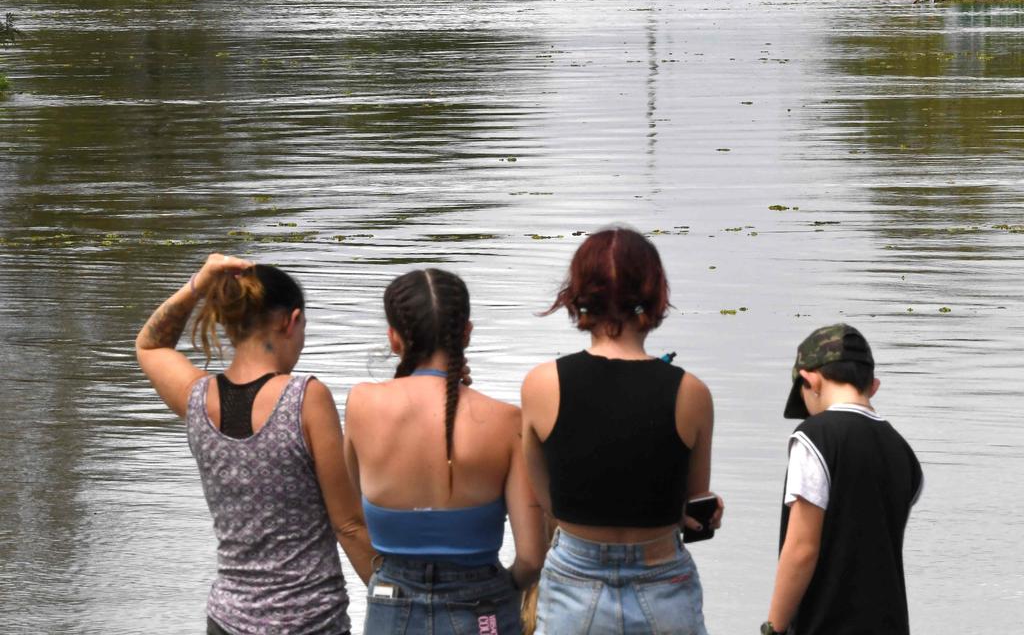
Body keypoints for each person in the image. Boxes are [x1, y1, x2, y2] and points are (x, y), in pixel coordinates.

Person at [135, 254, 373, 635]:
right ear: (290, 321)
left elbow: (150, 345)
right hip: (309, 622)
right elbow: (347, 525)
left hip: (227, 621)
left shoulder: (197, 399)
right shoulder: (305, 398)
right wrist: (395, 598)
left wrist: (199, 282)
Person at [521, 226, 722, 635]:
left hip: (575, 578)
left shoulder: (542, 385)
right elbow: (692, 502)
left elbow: (550, 502)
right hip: (662, 576)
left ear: (579, 298)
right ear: (654, 298)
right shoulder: (691, 393)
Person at [343, 268, 546, 635]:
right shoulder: (506, 422)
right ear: (466, 333)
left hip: (391, 604)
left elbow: (353, 514)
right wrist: (502, 590)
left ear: (394, 339)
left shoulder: (361, 405)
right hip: (484, 608)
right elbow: (531, 556)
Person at [762, 324, 923, 635]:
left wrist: (774, 628)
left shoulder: (815, 436)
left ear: (810, 380)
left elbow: (802, 548)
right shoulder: (902, 451)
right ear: (872, 386)